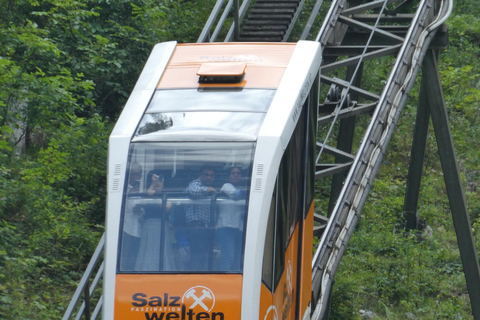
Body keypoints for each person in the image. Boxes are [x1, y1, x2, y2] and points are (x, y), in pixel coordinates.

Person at [135, 172, 173, 271]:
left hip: (162, 226)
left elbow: (166, 208)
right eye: (157, 181)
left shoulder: (167, 196)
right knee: (147, 250)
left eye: (161, 181)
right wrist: (153, 184)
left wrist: (156, 195)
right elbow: (143, 203)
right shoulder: (148, 194)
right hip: (149, 225)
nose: (159, 183)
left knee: (163, 250)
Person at [183, 166, 217, 270]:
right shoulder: (196, 183)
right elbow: (192, 191)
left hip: (206, 228)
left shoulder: (210, 191)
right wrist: (207, 189)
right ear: (201, 175)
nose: (209, 177)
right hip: (196, 226)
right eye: (206, 175)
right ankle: (193, 278)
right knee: (196, 256)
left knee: (203, 257)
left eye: (211, 175)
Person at [216, 166, 247, 271]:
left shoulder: (243, 189)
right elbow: (236, 195)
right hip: (225, 226)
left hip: (239, 228)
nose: (236, 175)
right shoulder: (226, 186)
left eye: (238, 173)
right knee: (229, 256)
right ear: (229, 176)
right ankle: (224, 281)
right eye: (233, 173)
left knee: (237, 259)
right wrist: (250, 190)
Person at [121, 162, 144, 271]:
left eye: (137, 174)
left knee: (135, 259)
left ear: (141, 175)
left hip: (139, 229)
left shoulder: (143, 190)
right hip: (126, 228)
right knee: (125, 259)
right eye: (132, 174)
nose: (135, 177)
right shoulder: (122, 189)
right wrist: (128, 195)